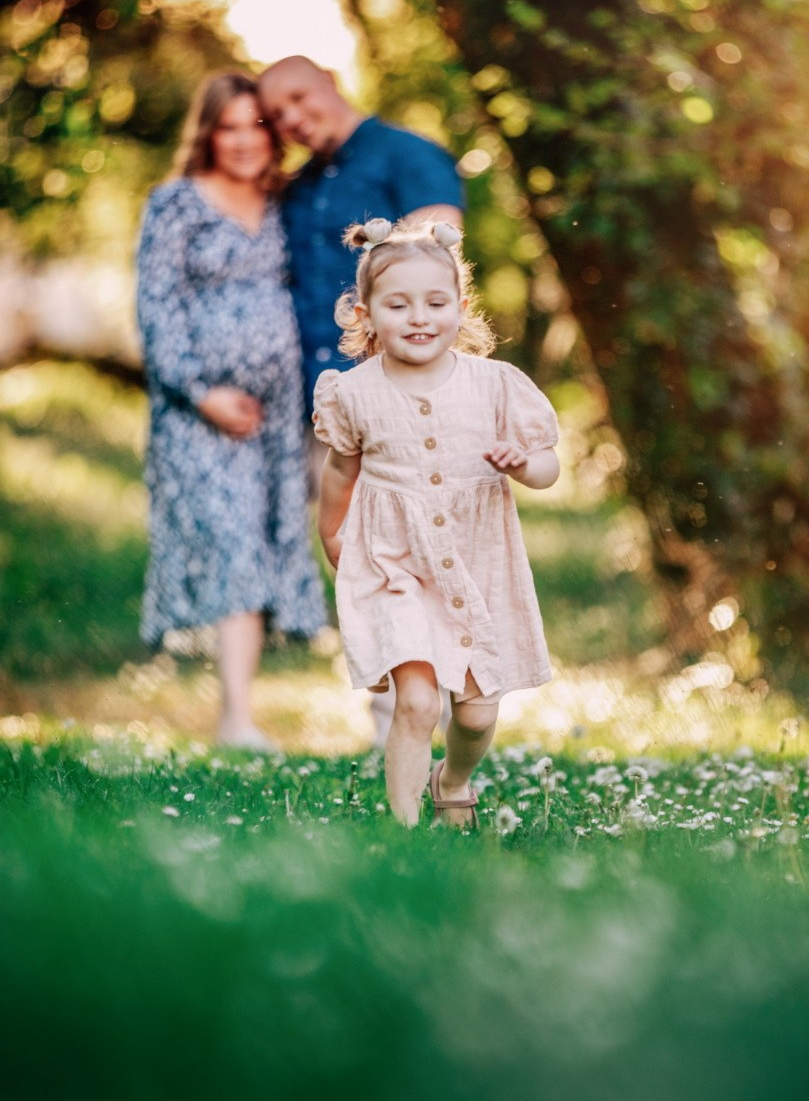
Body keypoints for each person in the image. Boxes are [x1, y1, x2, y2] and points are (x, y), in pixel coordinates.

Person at [312, 217, 560, 826]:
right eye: (398, 304)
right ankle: (405, 832)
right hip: (395, 564)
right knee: (417, 703)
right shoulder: (353, 393)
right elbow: (341, 472)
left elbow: (548, 467)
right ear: (366, 313)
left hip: (479, 566)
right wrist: (330, 531)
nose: (419, 317)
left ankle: (452, 779)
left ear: (460, 306)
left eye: (435, 302)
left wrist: (525, 463)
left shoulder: (496, 384)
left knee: (475, 715)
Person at [257, 53, 464, 749]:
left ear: (329, 80)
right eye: (275, 112)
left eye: (296, 97)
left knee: (426, 554)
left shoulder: (408, 156)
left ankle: (458, 710)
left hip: (404, 402)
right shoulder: (299, 187)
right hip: (325, 407)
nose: (289, 117)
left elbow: (439, 271)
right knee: (359, 560)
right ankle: (393, 724)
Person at [136, 71, 327, 749]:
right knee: (232, 543)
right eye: (229, 126)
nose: (244, 140)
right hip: (197, 412)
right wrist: (201, 391)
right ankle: (237, 719)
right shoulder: (175, 205)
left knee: (266, 542)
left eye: (256, 125)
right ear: (209, 132)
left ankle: (239, 717)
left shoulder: (286, 202)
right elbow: (156, 309)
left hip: (276, 419)